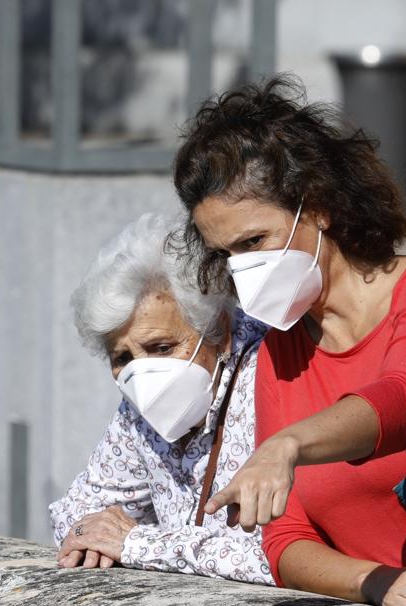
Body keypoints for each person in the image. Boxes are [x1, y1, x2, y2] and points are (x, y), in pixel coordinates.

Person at [168, 76, 406, 606]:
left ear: (318, 208)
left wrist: (288, 444)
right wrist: (377, 582)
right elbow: (284, 538)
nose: (242, 268)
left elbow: (405, 401)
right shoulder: (282, 352)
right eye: (226, 254)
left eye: (254, 241)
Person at [48, 213, 273, 585]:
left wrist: (137, 543)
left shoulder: (272, 377)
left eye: (162, 347)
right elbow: (76, 514)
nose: (143, 372)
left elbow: (285, 555)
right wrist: (98, 535)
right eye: (122, 358)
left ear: (219, 332)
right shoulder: (139, 408)